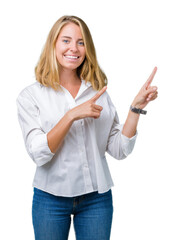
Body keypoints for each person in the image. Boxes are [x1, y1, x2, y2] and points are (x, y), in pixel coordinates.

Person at [16, 15, 158, 240]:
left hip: (96, 200)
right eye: (66, 40)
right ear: (53, 44)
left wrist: (135, 109)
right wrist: (71, 115)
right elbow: (38, 153)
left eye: (81, 42)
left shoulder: (98, 92)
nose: (74, 48)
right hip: (49, 199)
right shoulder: (31, 96)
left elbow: (119, 149)